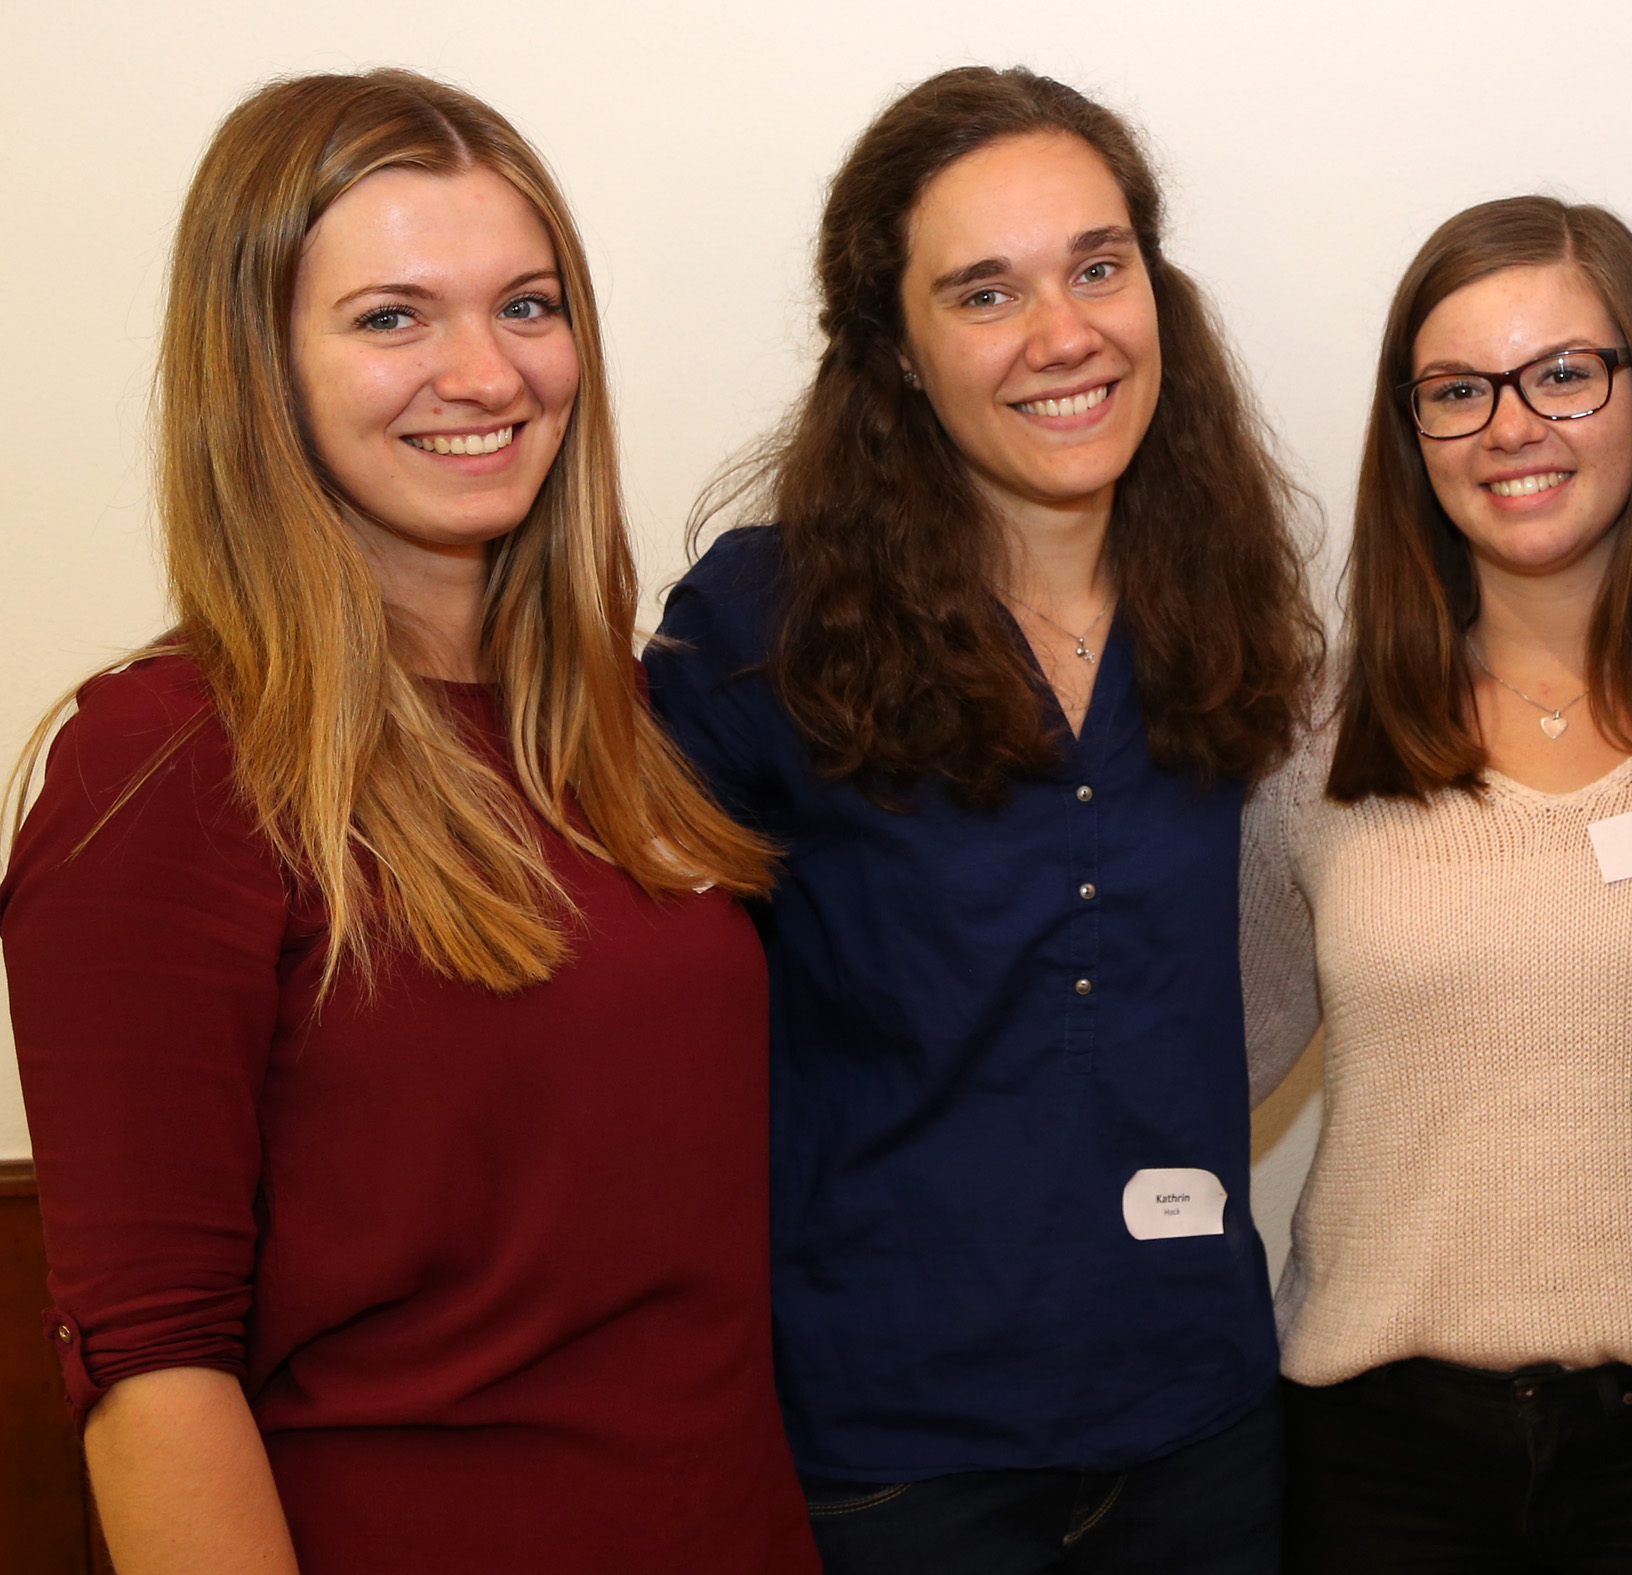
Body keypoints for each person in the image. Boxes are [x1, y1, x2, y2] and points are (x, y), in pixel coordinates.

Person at [1, 69, 819, 1574]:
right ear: (261, 368)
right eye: (393, 317)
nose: (486, 372)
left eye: (526, 305)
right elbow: (152, 1368)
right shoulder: (164, 766)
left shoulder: (626, 728)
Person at [644, 65, 1321, 1575]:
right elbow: (623, 1005)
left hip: (1200, 1426)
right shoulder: (764, 625)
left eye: (1098, 267)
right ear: (895, 350)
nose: (1063, 334)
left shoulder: (1225, 609)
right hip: (895, 1459)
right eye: (985, 293)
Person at [1240, 196, 1632, 1572]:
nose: (1510, 427)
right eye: (1456, 390)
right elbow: (1198, 1058)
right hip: (1376, 1464)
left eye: (1562, 374)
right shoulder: (1310, 739)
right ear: (1409, 429)